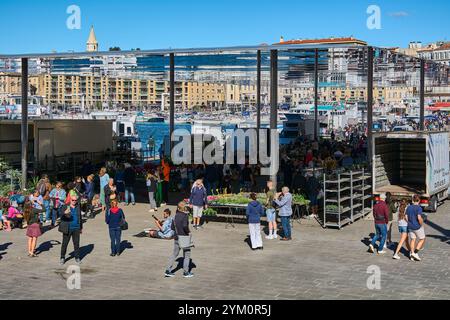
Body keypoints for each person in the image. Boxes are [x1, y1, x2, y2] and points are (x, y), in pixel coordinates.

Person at [164, 202, 194, 278]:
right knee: (187, 254)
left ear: (178, 208)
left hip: (176, 237)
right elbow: (185, 226)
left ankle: (168, 270)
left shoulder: (175, 216)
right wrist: (189, 232)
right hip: (184, 238)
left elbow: (172, 227)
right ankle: (186, 272)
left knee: (174, 254)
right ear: (184, 208)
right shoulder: (185, 216)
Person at [59, 195, 83, 265]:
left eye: (75, 200)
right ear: (70, 200)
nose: (74, 201)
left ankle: (77, 257)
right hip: (68, 228)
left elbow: (80, 217)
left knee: (76, 243)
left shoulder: (78, 206)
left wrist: (81, 227)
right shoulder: (65, 206)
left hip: (76, 228)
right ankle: (62, 257)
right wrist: (64, 213)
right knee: (64, 244)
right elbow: (60, 215)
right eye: (73, 200)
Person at [406, 195, 426, 261]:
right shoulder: (419, 208)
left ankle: (412, 254)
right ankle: (415, 253)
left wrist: (409, 222)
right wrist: (421, 224)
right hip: (417, 226)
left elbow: (406, 217)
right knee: (422, 239)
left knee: (413, 239)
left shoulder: (408, 207)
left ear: (412, 200)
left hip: (410, 226)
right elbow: (419, 217)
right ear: (419, 200)